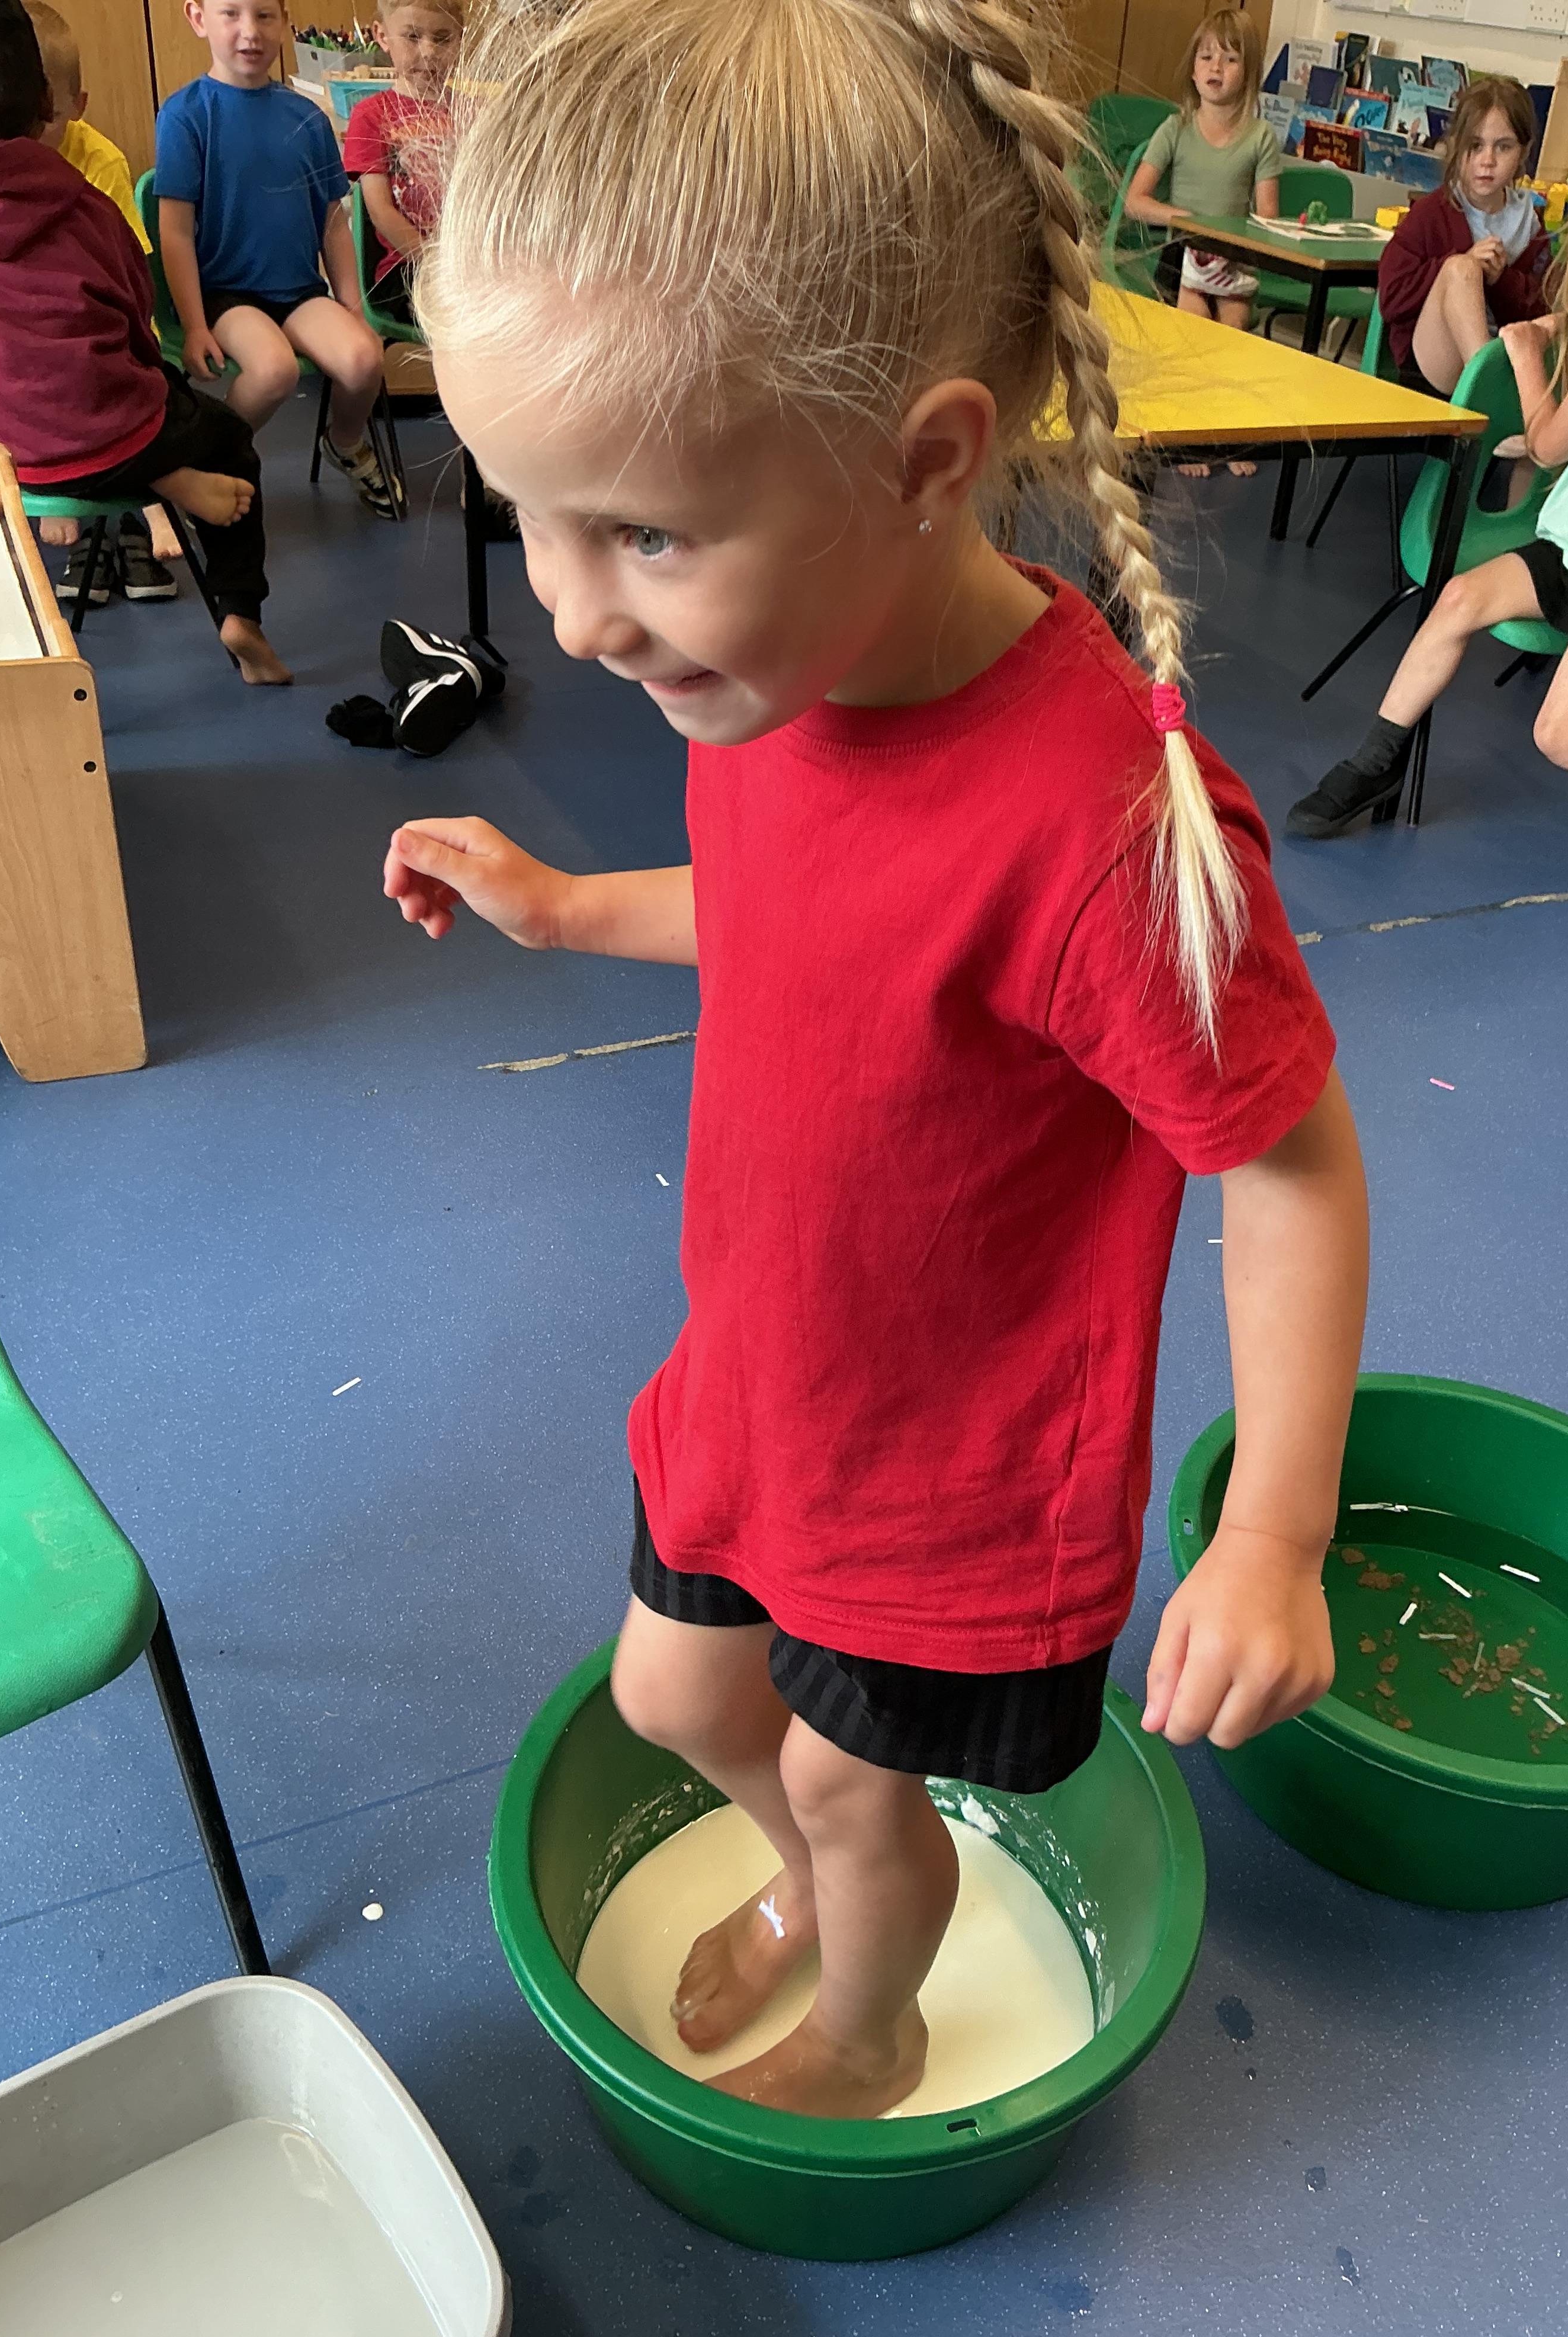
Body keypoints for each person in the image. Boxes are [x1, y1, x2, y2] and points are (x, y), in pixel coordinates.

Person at [384, 0, 1369, 2120]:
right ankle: (821, 1881)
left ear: (923, 461)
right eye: (529, 518)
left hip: (951, 1470)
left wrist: (1275, 1529)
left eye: (642, 535)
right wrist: (570, 908)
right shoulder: (770, 671)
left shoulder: (1100, 830)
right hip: (766, 1376)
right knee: (676, 1694)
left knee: (851, 1773)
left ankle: (866, 2013)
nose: (569, 614)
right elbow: (804, 915)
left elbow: (1287, 1158)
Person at [1290, 137, 1568, 912]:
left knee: (1561, 733)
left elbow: (1552, 445)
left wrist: (1527, 353)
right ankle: (1378, 759)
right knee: (1458, 598)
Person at [0, 0, 288, 678]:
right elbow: (134, 312)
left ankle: (160, 478)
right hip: (109, 438)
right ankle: (240, 613)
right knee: (228, 436)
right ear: (46, 105)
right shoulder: (87, 207)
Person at [155, 0, 394, 514]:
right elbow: (174, 233)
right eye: (231, 14)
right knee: (274, 371)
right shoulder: (185, 115)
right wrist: (194, 325)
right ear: (197, 18)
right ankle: (208, 466)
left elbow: (333, 222)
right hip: (226, 296)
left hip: (299, 292)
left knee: (364, 358)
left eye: (264, 16)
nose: (250, 32)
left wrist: (353, 306)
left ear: (284, 22)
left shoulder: (306, 117)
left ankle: (344, 443)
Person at [22, 0, 182, 600]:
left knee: (122, 375)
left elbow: (125, 273)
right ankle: (76, 503)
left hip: (99, 319)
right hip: (32, 337)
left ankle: (143, 508)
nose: (33, 131)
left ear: (77, 106)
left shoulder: (97, 160)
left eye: (47, 114)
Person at [1122, 5, 1279, 476]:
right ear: (1192, 70)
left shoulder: (1261, 137)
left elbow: (1268, 218)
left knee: (1231, 338)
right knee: (1195, 339)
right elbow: (1135, 201)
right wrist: (1187, 219)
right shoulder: (1176, 128)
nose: (1216, 67)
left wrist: (1233, 238)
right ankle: (1186, 440)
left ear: (1249, 73)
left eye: (1230, 59)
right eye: (1207, 57)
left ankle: (1224, 438)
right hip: (1181, 254)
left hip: (1232, 258)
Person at [1376, 76, 1550, 396]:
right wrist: (1456, 267)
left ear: (1523, 151)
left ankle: (1487, 386)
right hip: (1434, 363)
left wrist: (1501, 281)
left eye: (1504, 147)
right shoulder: (1432, 212)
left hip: (1508, 358)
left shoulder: (1531, 224)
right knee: (1461, 269)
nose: (1488, 161)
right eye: (1475, 146)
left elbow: (1542, 311)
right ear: (1458, 147)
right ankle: (1485, 392)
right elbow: (1392, 299)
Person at [342, 0, 459, 330]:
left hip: (469, 262)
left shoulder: (473, 112)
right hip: (408, 268)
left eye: (443, 38)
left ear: (461, 40)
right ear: (382, 36)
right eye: (413, 37)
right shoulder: (372, 115)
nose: (430, 52)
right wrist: (440, 266)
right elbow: (381, 212)